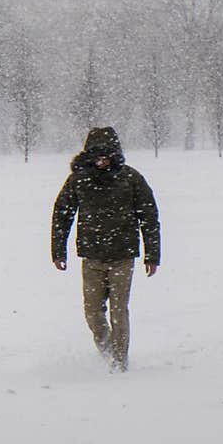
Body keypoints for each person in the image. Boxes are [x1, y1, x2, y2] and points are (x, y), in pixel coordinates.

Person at [51, 126, 160, 372]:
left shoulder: (131, 179)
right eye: (96, 155)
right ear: (88, 155)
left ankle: (120, 363)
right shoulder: (78, 180)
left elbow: (149, 217)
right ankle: (108, 351)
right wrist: (58, 251)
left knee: (118, 312)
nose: (102, 160)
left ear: (115, 153)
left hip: (123, 257)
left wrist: (152, 255)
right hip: (91, 259)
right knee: (92, 314)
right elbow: (62, 214)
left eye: (106, 154)